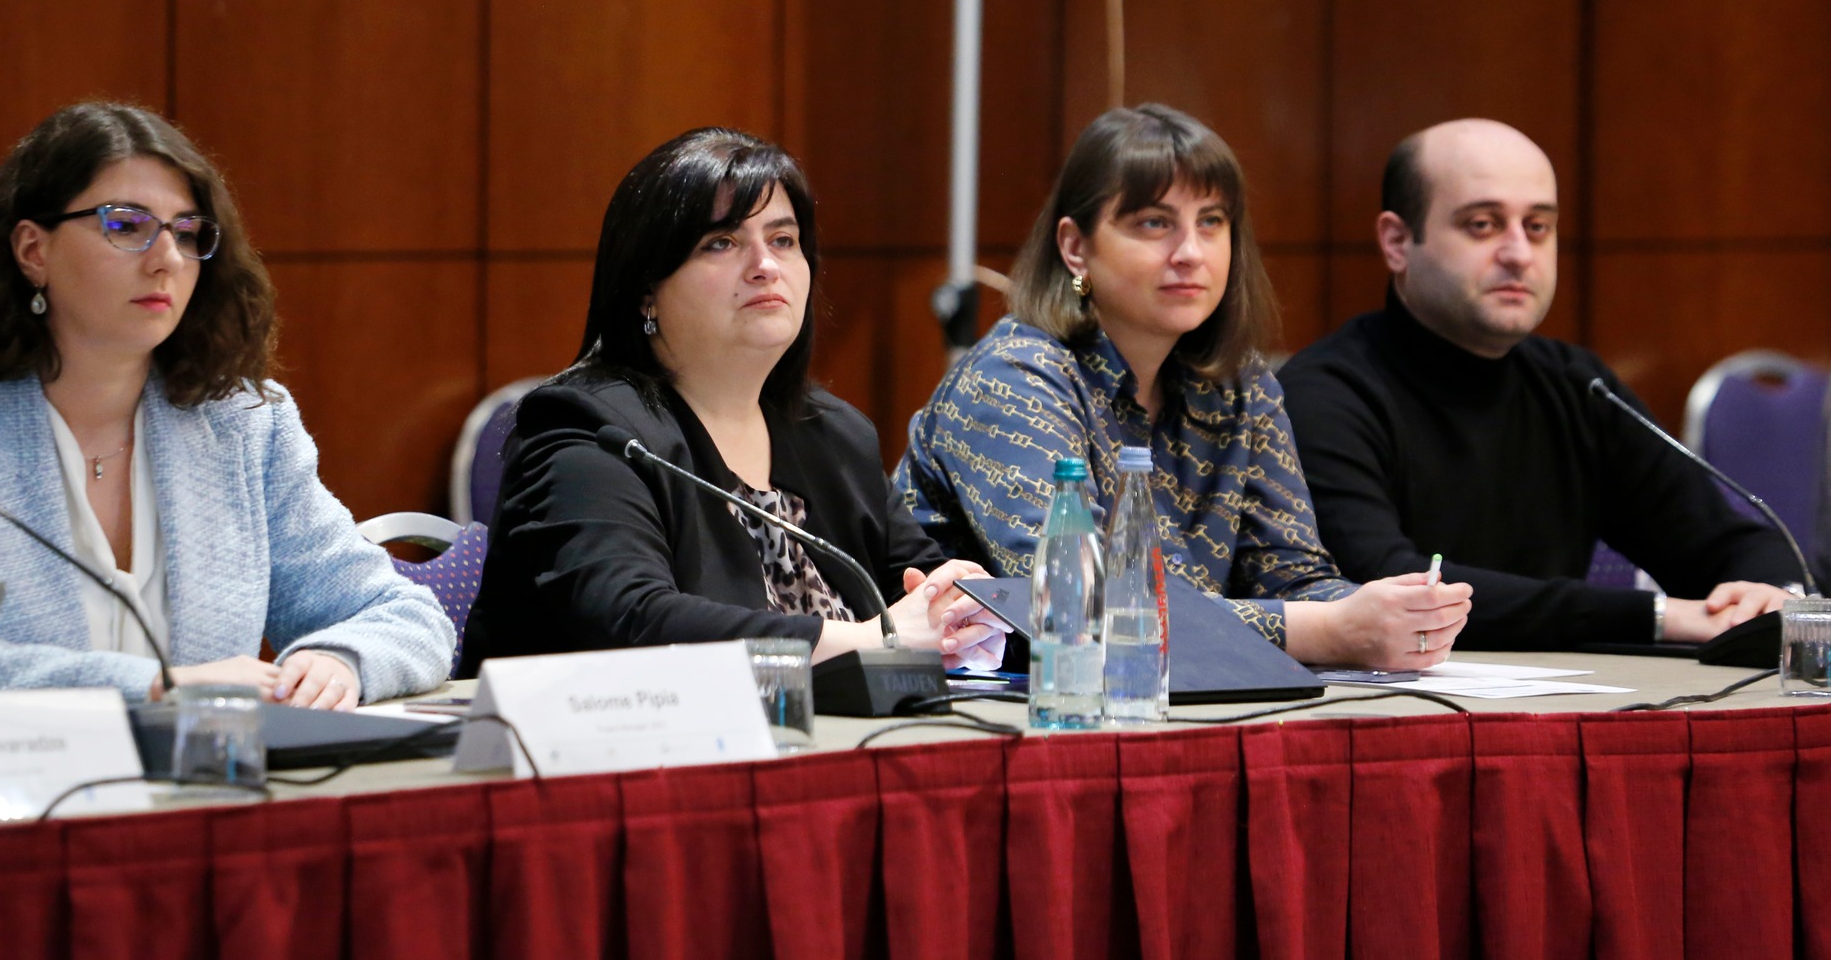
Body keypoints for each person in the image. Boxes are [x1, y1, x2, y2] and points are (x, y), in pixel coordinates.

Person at [0, 101, 455, 708]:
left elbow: (402, 615)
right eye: (126, 226)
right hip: (12, 773)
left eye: (186, 232)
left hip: (209, 774)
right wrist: (158, 688)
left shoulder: (243, 426)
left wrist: (339, 661)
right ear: (33, 251)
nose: (167, 260)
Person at [894, 104, 1471, 670]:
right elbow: (1081, 606)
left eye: (1212, 222)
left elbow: (1292, 578)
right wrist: (1330, 630)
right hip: (1009, 702)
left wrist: (1386, 614)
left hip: (1174, 697)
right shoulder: (1012, 377)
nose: (1191, 253)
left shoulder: (1242, 384)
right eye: (1154, 223)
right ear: (1075, 247)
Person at [459, 128, 1008, 674]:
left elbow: (919, 594)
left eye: (783, 240)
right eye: (721, 242)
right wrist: (873, 639)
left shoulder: (836, 436)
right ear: (646, 290)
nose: (765, 265)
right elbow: (632, 621)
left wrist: (960, 611)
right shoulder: (589, 431)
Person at [1277, 118, 1798, 649]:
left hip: (1570, 689)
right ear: (1397, 241)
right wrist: (1657, 617)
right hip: (1390, 691)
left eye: (1538, 226)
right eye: (1482, 225)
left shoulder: (1577, 385)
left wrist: (1768, 594)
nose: (1519, 253)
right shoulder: (1322, 395)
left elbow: (1724, 540)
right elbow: (1390, 583)